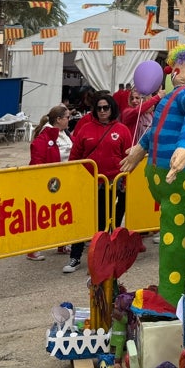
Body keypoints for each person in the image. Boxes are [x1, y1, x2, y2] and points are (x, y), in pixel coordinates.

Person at [121, 42, 185, 313]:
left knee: (173, 234)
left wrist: (184, 148)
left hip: (180, 178)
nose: (173, 72)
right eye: (174, 68)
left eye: (181, 67)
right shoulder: (170, 98)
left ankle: (171, 294)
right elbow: (155, 130)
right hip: (168, 177)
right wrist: (139, 150)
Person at [64, 91, 132, 274]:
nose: (102, 111)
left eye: (106, 108)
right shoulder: (85, 129)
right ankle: (75, 257)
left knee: (113, 222)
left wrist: (125, 180)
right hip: (92, 183)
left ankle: (109, 256)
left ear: (112, 109)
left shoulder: (122, 130)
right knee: (87, 220)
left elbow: (128, 158)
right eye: (99, 108)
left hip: (116, 183)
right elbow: (75, 157)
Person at [26, 104, 71, 261]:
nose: (69, 120)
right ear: (58, 120)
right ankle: (32, 248)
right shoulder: (45, 137)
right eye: (67, 117)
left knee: (61, 213)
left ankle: (61, 243)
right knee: (42, 216)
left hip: (64, 180)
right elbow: (37, 161)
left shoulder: (64, 134)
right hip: (50, 183)